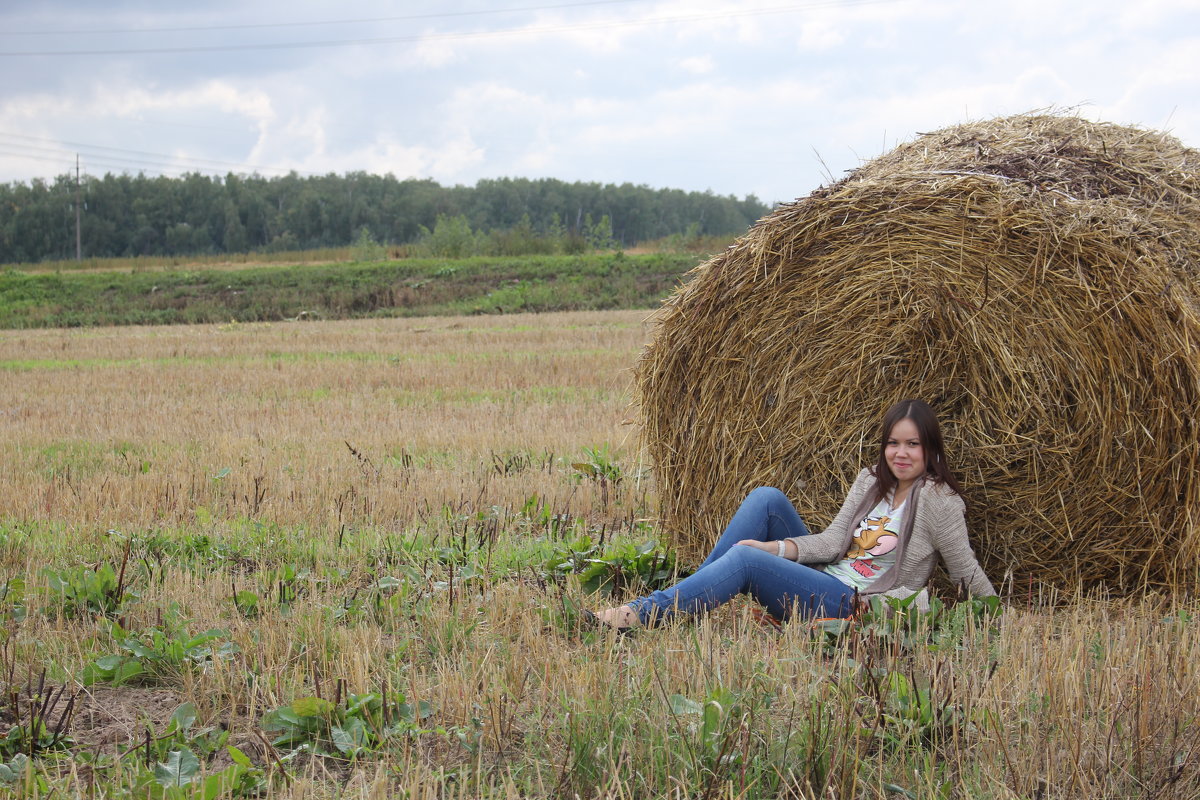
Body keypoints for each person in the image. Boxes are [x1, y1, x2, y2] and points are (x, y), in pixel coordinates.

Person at [589, 399, 995, 631]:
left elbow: (966, 572)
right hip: (822, 579)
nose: (900, 453)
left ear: (931, 449)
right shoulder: (870, 480)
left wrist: (994, 617)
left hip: (852, 603)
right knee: (766, 498)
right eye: (892, 443)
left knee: (747, 561)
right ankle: (689, 600)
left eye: (912, 445)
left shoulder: (940, 502)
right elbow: (833, 543)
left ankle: (640, 615)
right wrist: (774, 547)